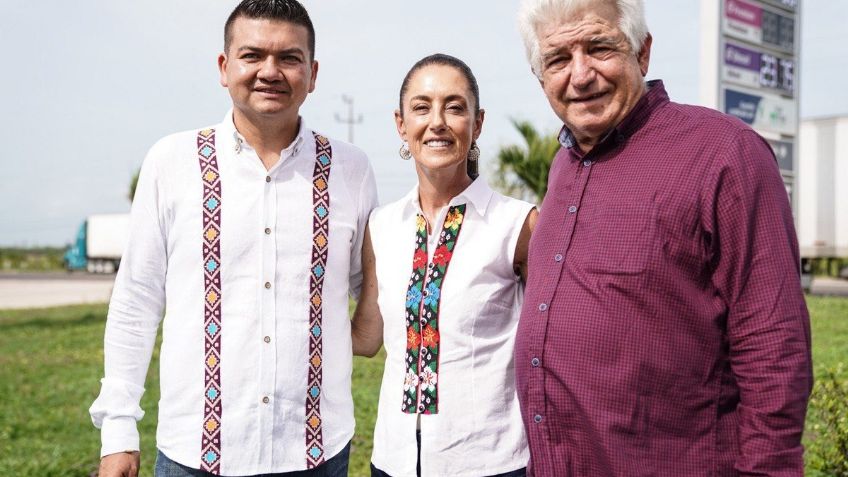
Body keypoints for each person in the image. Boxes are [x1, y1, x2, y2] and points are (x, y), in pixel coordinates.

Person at [514, 0, 812, 475]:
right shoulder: (562, 166)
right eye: (557, 60)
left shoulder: (724, 153)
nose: (581, 74)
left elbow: (773, 346)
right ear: (540, 75)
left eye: (599, 48)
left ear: (642, 52)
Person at [89, 1, 377, 476]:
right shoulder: (171, 161)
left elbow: (371, 292)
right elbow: (135, 302)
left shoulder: (351, 168)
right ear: (224, 67)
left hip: (317, 452)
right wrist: (118, 432)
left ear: (313, 71)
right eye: (252, 55)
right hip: (194, 454)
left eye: (289, 57)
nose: (270, 71)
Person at [351, 54, 537, 477]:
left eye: (454, 107)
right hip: (393, 459)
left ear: (478, 123)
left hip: (490, 462)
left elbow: (554, 343)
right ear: (401, 124)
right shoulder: (381, 226)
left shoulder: (518, 223)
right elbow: (366, 337)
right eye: (422, 107)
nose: (437, 121)